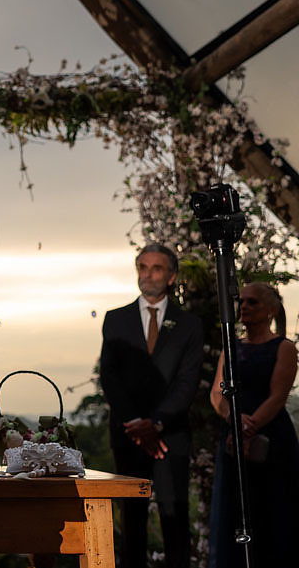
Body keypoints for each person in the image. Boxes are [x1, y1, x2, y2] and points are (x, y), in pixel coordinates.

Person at [98, 243, 202, 568]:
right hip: (128, 435)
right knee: (132, 523)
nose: (148, 275)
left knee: (175, 519)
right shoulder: (115, 319)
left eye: (156, 268)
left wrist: (155, 424)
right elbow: (109, 377)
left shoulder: (189, 325)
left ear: (171, 276)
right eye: (143, 267)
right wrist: (136, 425)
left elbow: (187, 382)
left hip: (170, 435)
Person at [208, 282, 299, 567]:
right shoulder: (231, 347)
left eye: (252, 302)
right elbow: (216, 393)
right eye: (242, 302)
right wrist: (233, 420)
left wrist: (249, 426)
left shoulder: (283, 347)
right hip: (233, 438)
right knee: (233, 513)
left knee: (273, 514)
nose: (243, 307)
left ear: (271, 310)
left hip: (272, 439)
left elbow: (278, 395)